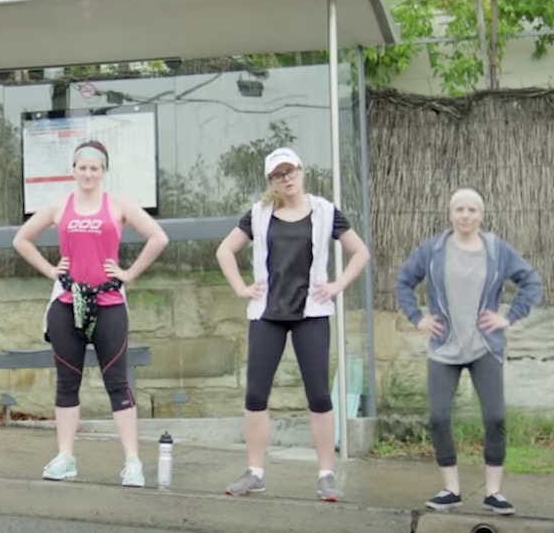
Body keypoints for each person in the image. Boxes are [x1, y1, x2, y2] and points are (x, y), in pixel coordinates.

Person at [215, 147, 369, 501]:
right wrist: (240, 288)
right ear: (271, 180)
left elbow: (359, 252)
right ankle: (255, 473)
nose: (287, 178)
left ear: (301, 171)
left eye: (291, 171)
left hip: (310, 314)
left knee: (318, 395)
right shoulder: (259, 214)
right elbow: (225, 250)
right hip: (267, 314)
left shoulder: (326, 212)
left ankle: (327, 475)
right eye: (279, 174)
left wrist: (337, 286)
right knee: (256, 394)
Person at [12, 140, 169, 487]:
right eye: (82, 167)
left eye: (94, 168)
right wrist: (51, 269)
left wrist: (128, 273)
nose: (87, 173)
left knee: (118, 383)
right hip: (68, 303)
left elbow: (158, 238)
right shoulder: (58, 207)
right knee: (68, 382)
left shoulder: (119, 205)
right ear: (73, 170)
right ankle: (65, 457)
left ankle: (132, 462)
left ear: (103, 172)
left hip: (109, 303)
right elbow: (22, 240)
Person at [396, 188, 541, 516]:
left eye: (472, 210)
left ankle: (494, 493)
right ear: (451, 213)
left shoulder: (496, 249)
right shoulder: (433, 249)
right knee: (439, 418)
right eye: (459, 209)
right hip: (445, 347)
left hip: (484, 346)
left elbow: (531, 281)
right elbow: (404, 281)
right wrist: (418, 318)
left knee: (495, 417)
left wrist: (508, 317)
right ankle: (451, 489)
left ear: (481, 214)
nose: (465, 215)